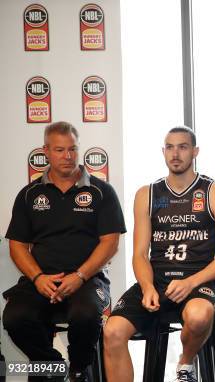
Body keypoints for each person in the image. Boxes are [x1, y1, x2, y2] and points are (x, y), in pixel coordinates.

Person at [103, 126, 215, 382]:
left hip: (197, 281)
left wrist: (190, 282)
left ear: (195, 152)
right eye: (170, 147)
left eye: (183, 147)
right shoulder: (147, 194)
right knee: (113, 331)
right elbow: (140, 254)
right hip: (157, 281)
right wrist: (146, 286)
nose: (175, 154)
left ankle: (186, 364)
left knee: (199, 316)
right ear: (163, 151)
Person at [2, 121, 126, 382]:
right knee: (15, 317)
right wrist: (38, 278)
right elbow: (17, 246)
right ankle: (54, 367)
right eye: (60, 150)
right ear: (46, 151)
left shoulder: (101, 192)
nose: (67, 157)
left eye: (72, 149)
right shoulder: (29, 194)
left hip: (88, 280)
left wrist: (80, 276)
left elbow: (110, 243)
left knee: (86, 315)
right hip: (42, 280)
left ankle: (80, 370)